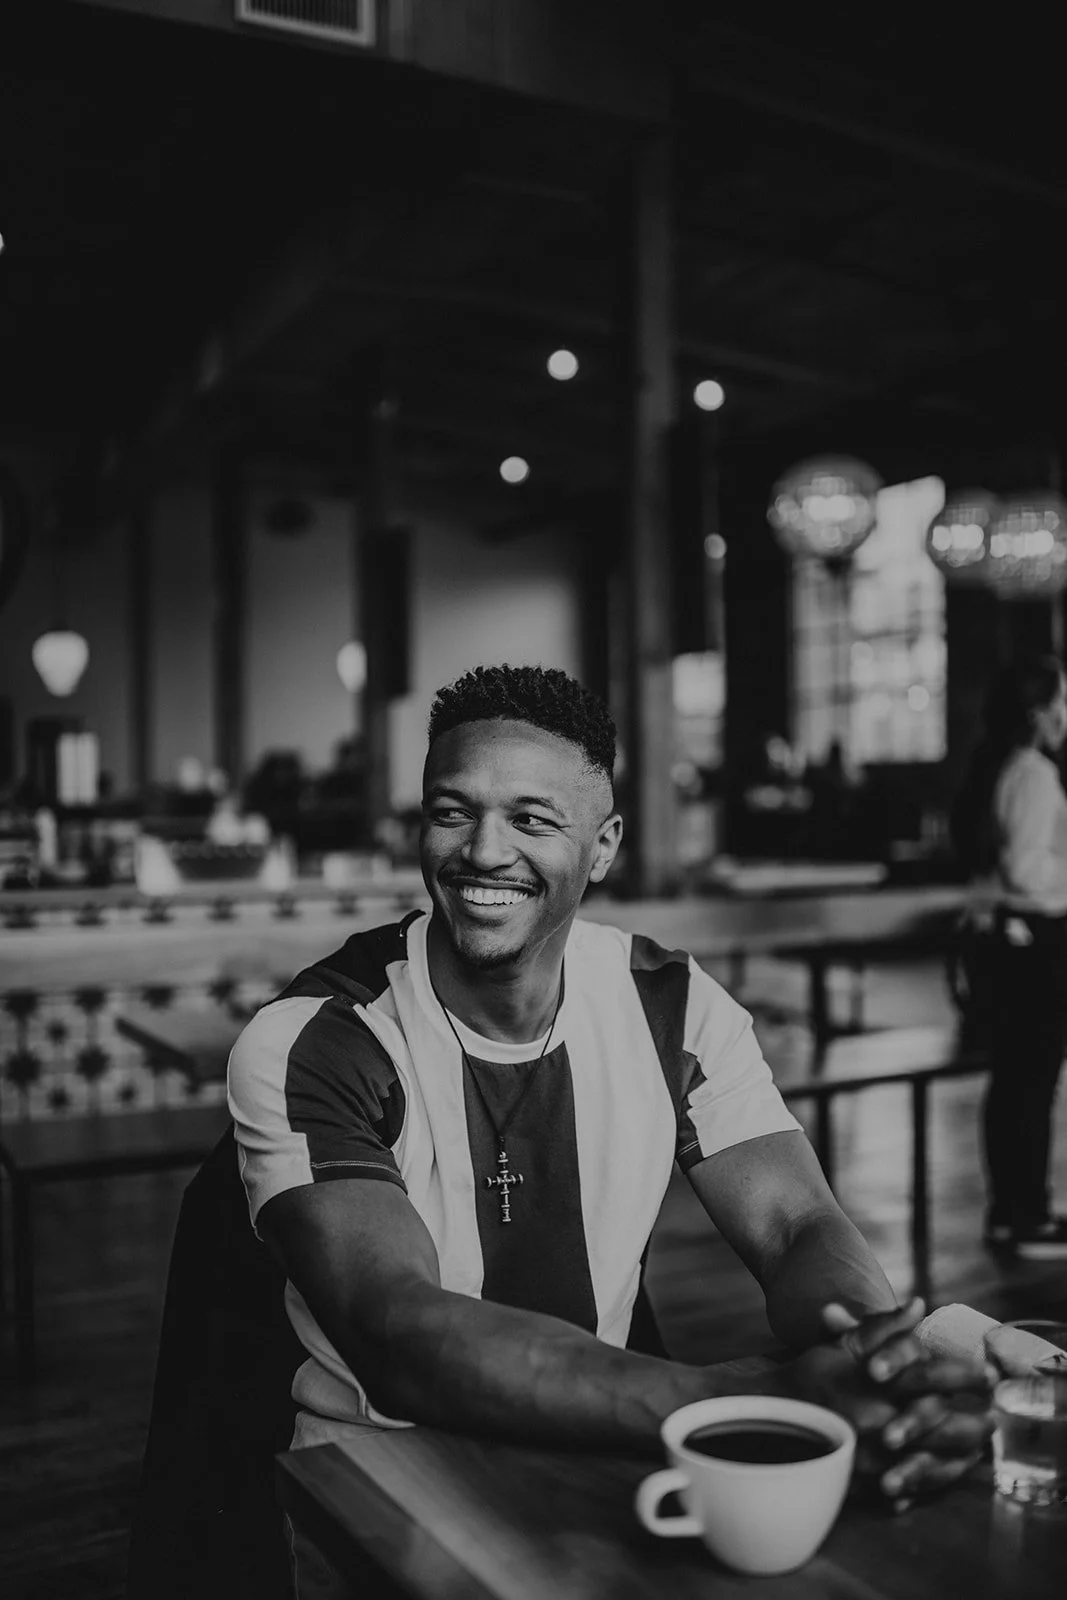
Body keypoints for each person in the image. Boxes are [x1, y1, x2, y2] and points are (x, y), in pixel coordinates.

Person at [229, 664, 991, 1598]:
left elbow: (796, 1226)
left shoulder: (669, 1005)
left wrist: (874, 1361)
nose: (482, 851)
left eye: (533, 820)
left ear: (602, 847)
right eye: (450, 811)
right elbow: (400, 1334)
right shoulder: (318, 1039)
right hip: (388, 1465)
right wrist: (753, 1399)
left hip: (612, 1439)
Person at [951, 654, 1067, 1257]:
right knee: (1031, 1080)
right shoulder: (1035, 774)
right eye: (1060, 702)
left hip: (1003, 947)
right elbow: (1026, 871)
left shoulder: (1003, 766)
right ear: (1038, 712)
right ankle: (1027, 1216)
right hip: (1032, 945)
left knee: (1014, 1079)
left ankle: (1013, 1211)